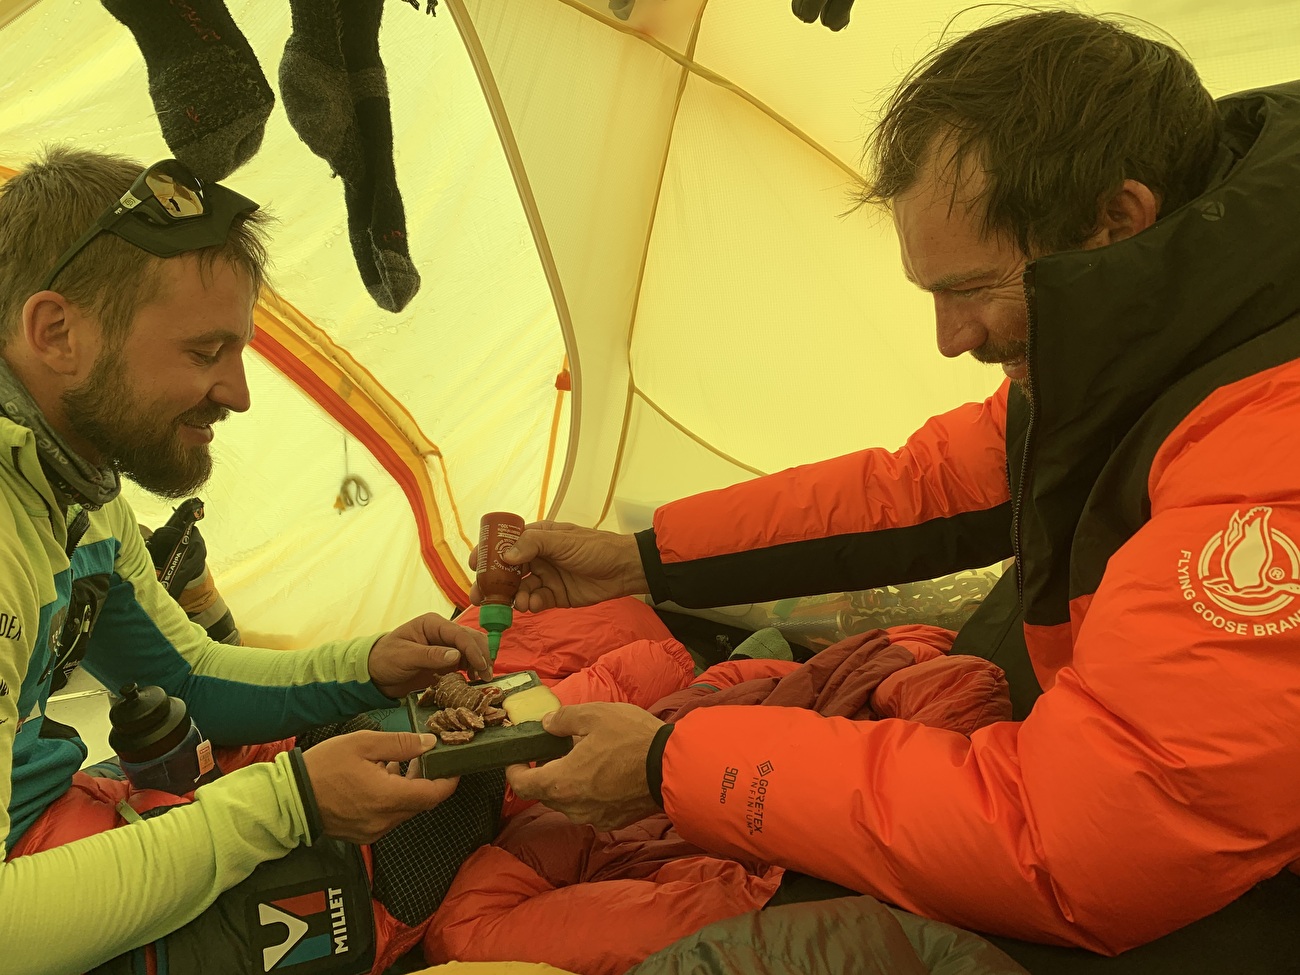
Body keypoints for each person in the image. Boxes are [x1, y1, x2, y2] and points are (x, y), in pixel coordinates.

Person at [470, 9, 1300, 970]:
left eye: (971, 289)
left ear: (1116, 220)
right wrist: (638, 560)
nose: (951, 340)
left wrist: (669, 766)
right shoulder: (1176, 317)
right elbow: (931, 484)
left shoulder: (1269, 453)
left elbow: (1083, 847)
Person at [0, 147, 498, 974]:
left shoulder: (74, 490)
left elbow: (187, 673)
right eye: (205, 352)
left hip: (46, 813)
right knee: (337, 895)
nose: (238, 392)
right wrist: (288, 802)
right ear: (57, 333)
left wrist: (369, 666)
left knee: (389, 752)